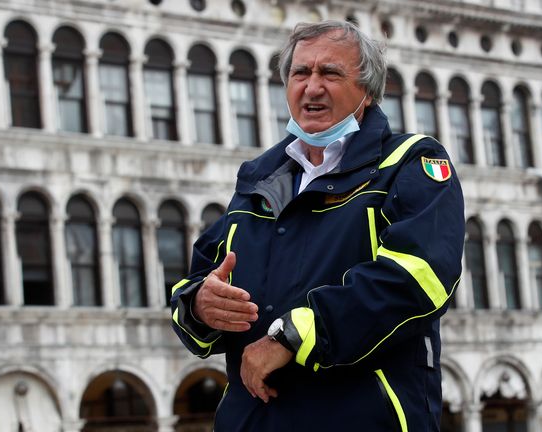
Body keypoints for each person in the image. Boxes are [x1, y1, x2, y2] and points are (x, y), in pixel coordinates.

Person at [171, 20, 464, 431]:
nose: (312, 87)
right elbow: (195, 285)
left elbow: (420, 277)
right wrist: (200, 306)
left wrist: (292, 336)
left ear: (366, 90)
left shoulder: (409, 162)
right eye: (300, 73)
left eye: (330, 73)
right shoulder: (259, 179)